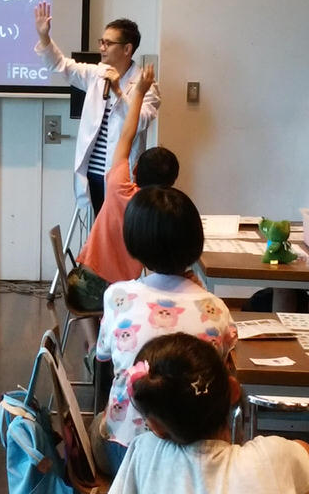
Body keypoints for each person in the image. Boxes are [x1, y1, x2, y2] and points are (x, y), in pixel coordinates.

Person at [90, 186, 237, 476]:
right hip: (196, 456)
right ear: (195, 241)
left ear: (134, 241)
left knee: (97, 424)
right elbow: (222, 376)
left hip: (126, 453)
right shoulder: (216, 309)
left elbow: (103, 357)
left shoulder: (117, 296)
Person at [109, 332, 309, 493]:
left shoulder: (145, 451)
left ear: (156, 427)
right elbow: (301, 452)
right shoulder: (276, 456)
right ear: (233, 390)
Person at [33, 2, 160, 215]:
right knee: (97, 225)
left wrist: (118, 91)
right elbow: (61, 65)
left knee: (121, 227)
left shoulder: (145, 84)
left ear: (127, 49)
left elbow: (140, 122)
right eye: (101, 42)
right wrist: (44, 36)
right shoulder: (96, 73)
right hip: (92, 172)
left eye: (108, 43)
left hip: (121, 176)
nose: (102, 48)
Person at [75, 66, 178, 289]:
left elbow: (126, 136)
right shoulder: (160, 214)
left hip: (90, 283)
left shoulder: (118, 188)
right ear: (171, 184)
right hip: (127, 289)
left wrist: (139, 91)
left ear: (136, 168)